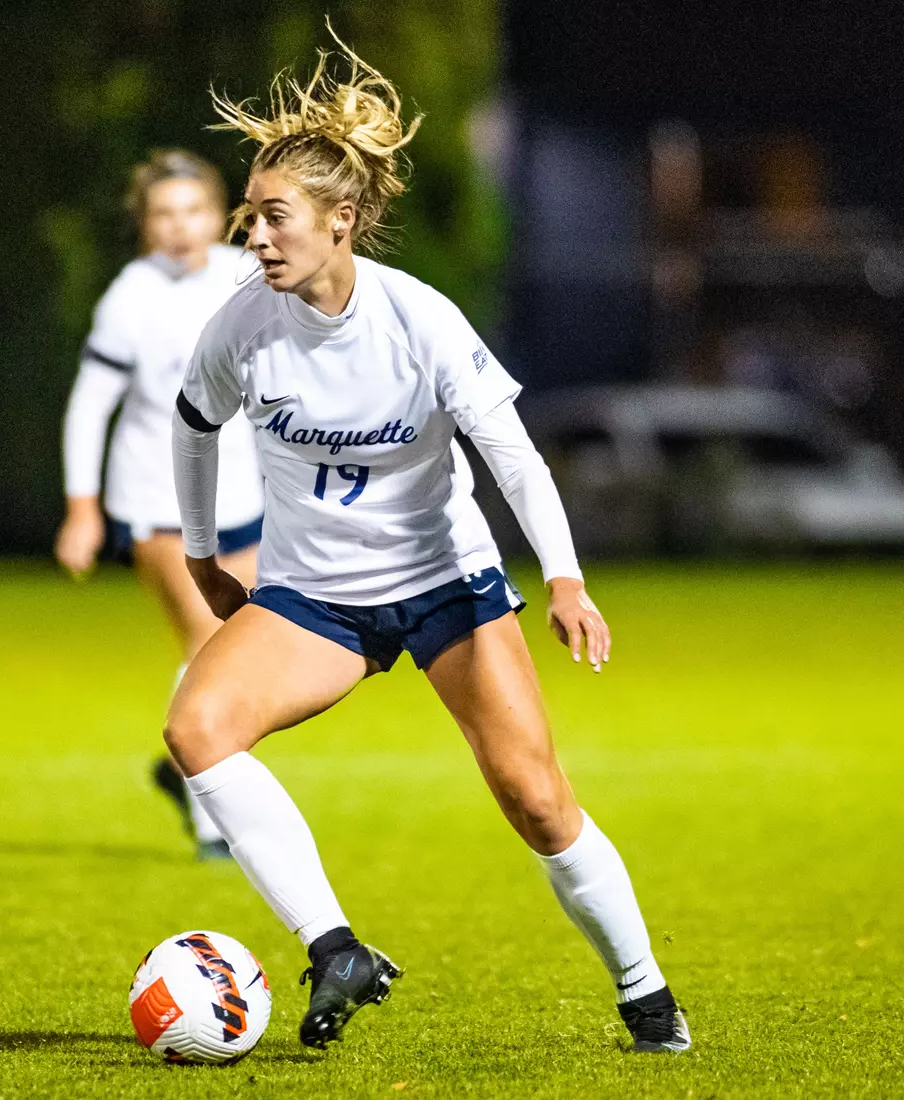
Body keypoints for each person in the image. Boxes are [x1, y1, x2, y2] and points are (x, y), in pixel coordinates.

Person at [166, 33, 691, 1053]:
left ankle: (646, 995)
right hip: (315, 597)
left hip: (446, 585)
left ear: (340, 220)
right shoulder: (242, 326)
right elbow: (192, 423)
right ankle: (334, 948)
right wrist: (198, 550)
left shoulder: (420, 322)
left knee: (537, 800)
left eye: (274, 217)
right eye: (250, 216)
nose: (256, 237)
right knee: (196, 728)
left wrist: (566, 578)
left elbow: (515, 458)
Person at [55, 149, 264, 860]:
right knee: (209, 645)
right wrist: (83, 509)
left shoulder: (249, 275)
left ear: (220, 213)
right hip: (157, 499)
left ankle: (181, 768)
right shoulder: (131, 297)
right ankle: (214, 825)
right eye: (164, 214)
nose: (181, 227)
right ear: (144, 225)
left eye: (195, 210)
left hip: (246, 498)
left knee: (246, 652)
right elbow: (90, 405)